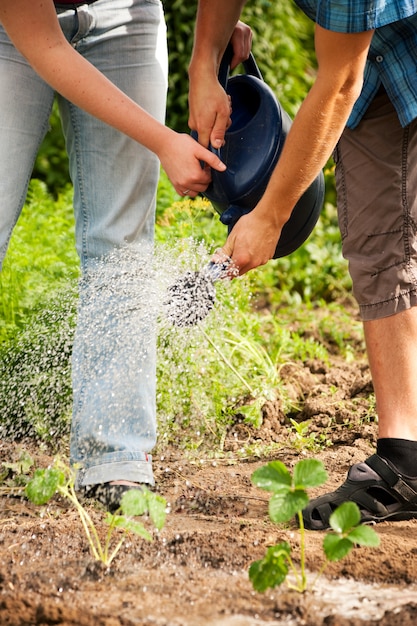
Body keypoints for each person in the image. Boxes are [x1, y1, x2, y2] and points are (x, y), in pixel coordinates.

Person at [0, 0, 251, 512]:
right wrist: (163, 142)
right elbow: (44, 44)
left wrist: (207, 52)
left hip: (127, 19)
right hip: (14, 31)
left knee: (122, 246)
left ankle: (114, 456)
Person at [188, 0, 417, 529]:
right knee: (379, 238)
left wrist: (270, 216)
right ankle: (405, 462)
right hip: (377, 62)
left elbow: (340, 82)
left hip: (380, 57)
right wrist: (204, 61)